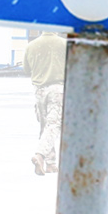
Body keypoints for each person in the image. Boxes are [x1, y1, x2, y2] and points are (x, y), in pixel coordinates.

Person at [22, 31, 66, 175]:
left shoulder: (31, 46)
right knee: (53, 124)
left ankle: (51, 163)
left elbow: (26, 70)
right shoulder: (64, 44)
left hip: (39, 91)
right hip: (57, 89)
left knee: (45, 126)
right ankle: (40, 155)